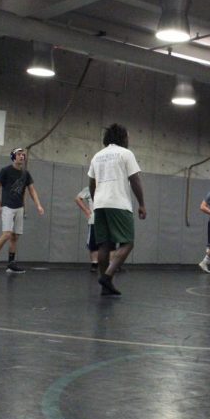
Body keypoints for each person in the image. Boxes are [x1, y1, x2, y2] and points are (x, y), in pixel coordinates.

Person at [88, 123, 146, 296]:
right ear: (122, 137)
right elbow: (135, 180)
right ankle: (107, 277)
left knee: (104, 244)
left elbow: (91, 183)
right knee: (128, 242)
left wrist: (96, 201)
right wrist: (142, 204)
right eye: (127, 136)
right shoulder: (125, 154)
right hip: (118, 204)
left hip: (100, 204)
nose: (128, 140)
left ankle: (106, 287)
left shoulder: (97, 156)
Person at [0, 148, 44, 274]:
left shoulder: (26, 174)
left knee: (15, 237)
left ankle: (11, 264)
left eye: (23, 155)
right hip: (7, 206)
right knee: (7, 234)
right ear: (13, 157)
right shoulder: (5, 171)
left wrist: (38, 205)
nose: (22, 156)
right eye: (19, 154)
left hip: (19, 207)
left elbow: (32, 190)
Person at [75, 186, 100, 273]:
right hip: (94, 220)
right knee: (93, 244)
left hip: (108, 220)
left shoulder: (110, 187)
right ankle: (94, 264)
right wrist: (86, 210)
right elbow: (78, 198)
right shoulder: (89, 188)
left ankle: (111, 264)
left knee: (110, 243)